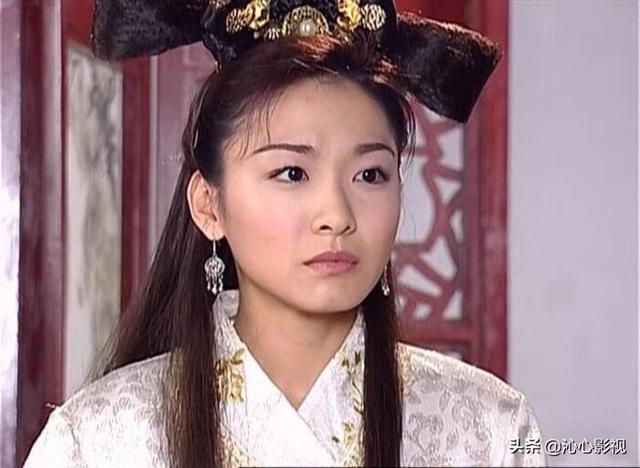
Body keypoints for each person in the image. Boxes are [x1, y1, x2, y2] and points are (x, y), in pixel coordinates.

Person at [24, 0, 546, 466]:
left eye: (370, 175)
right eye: (292, 173)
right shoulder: (100, 439)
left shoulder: (486, 430)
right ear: (208, 205)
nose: (336, 215)